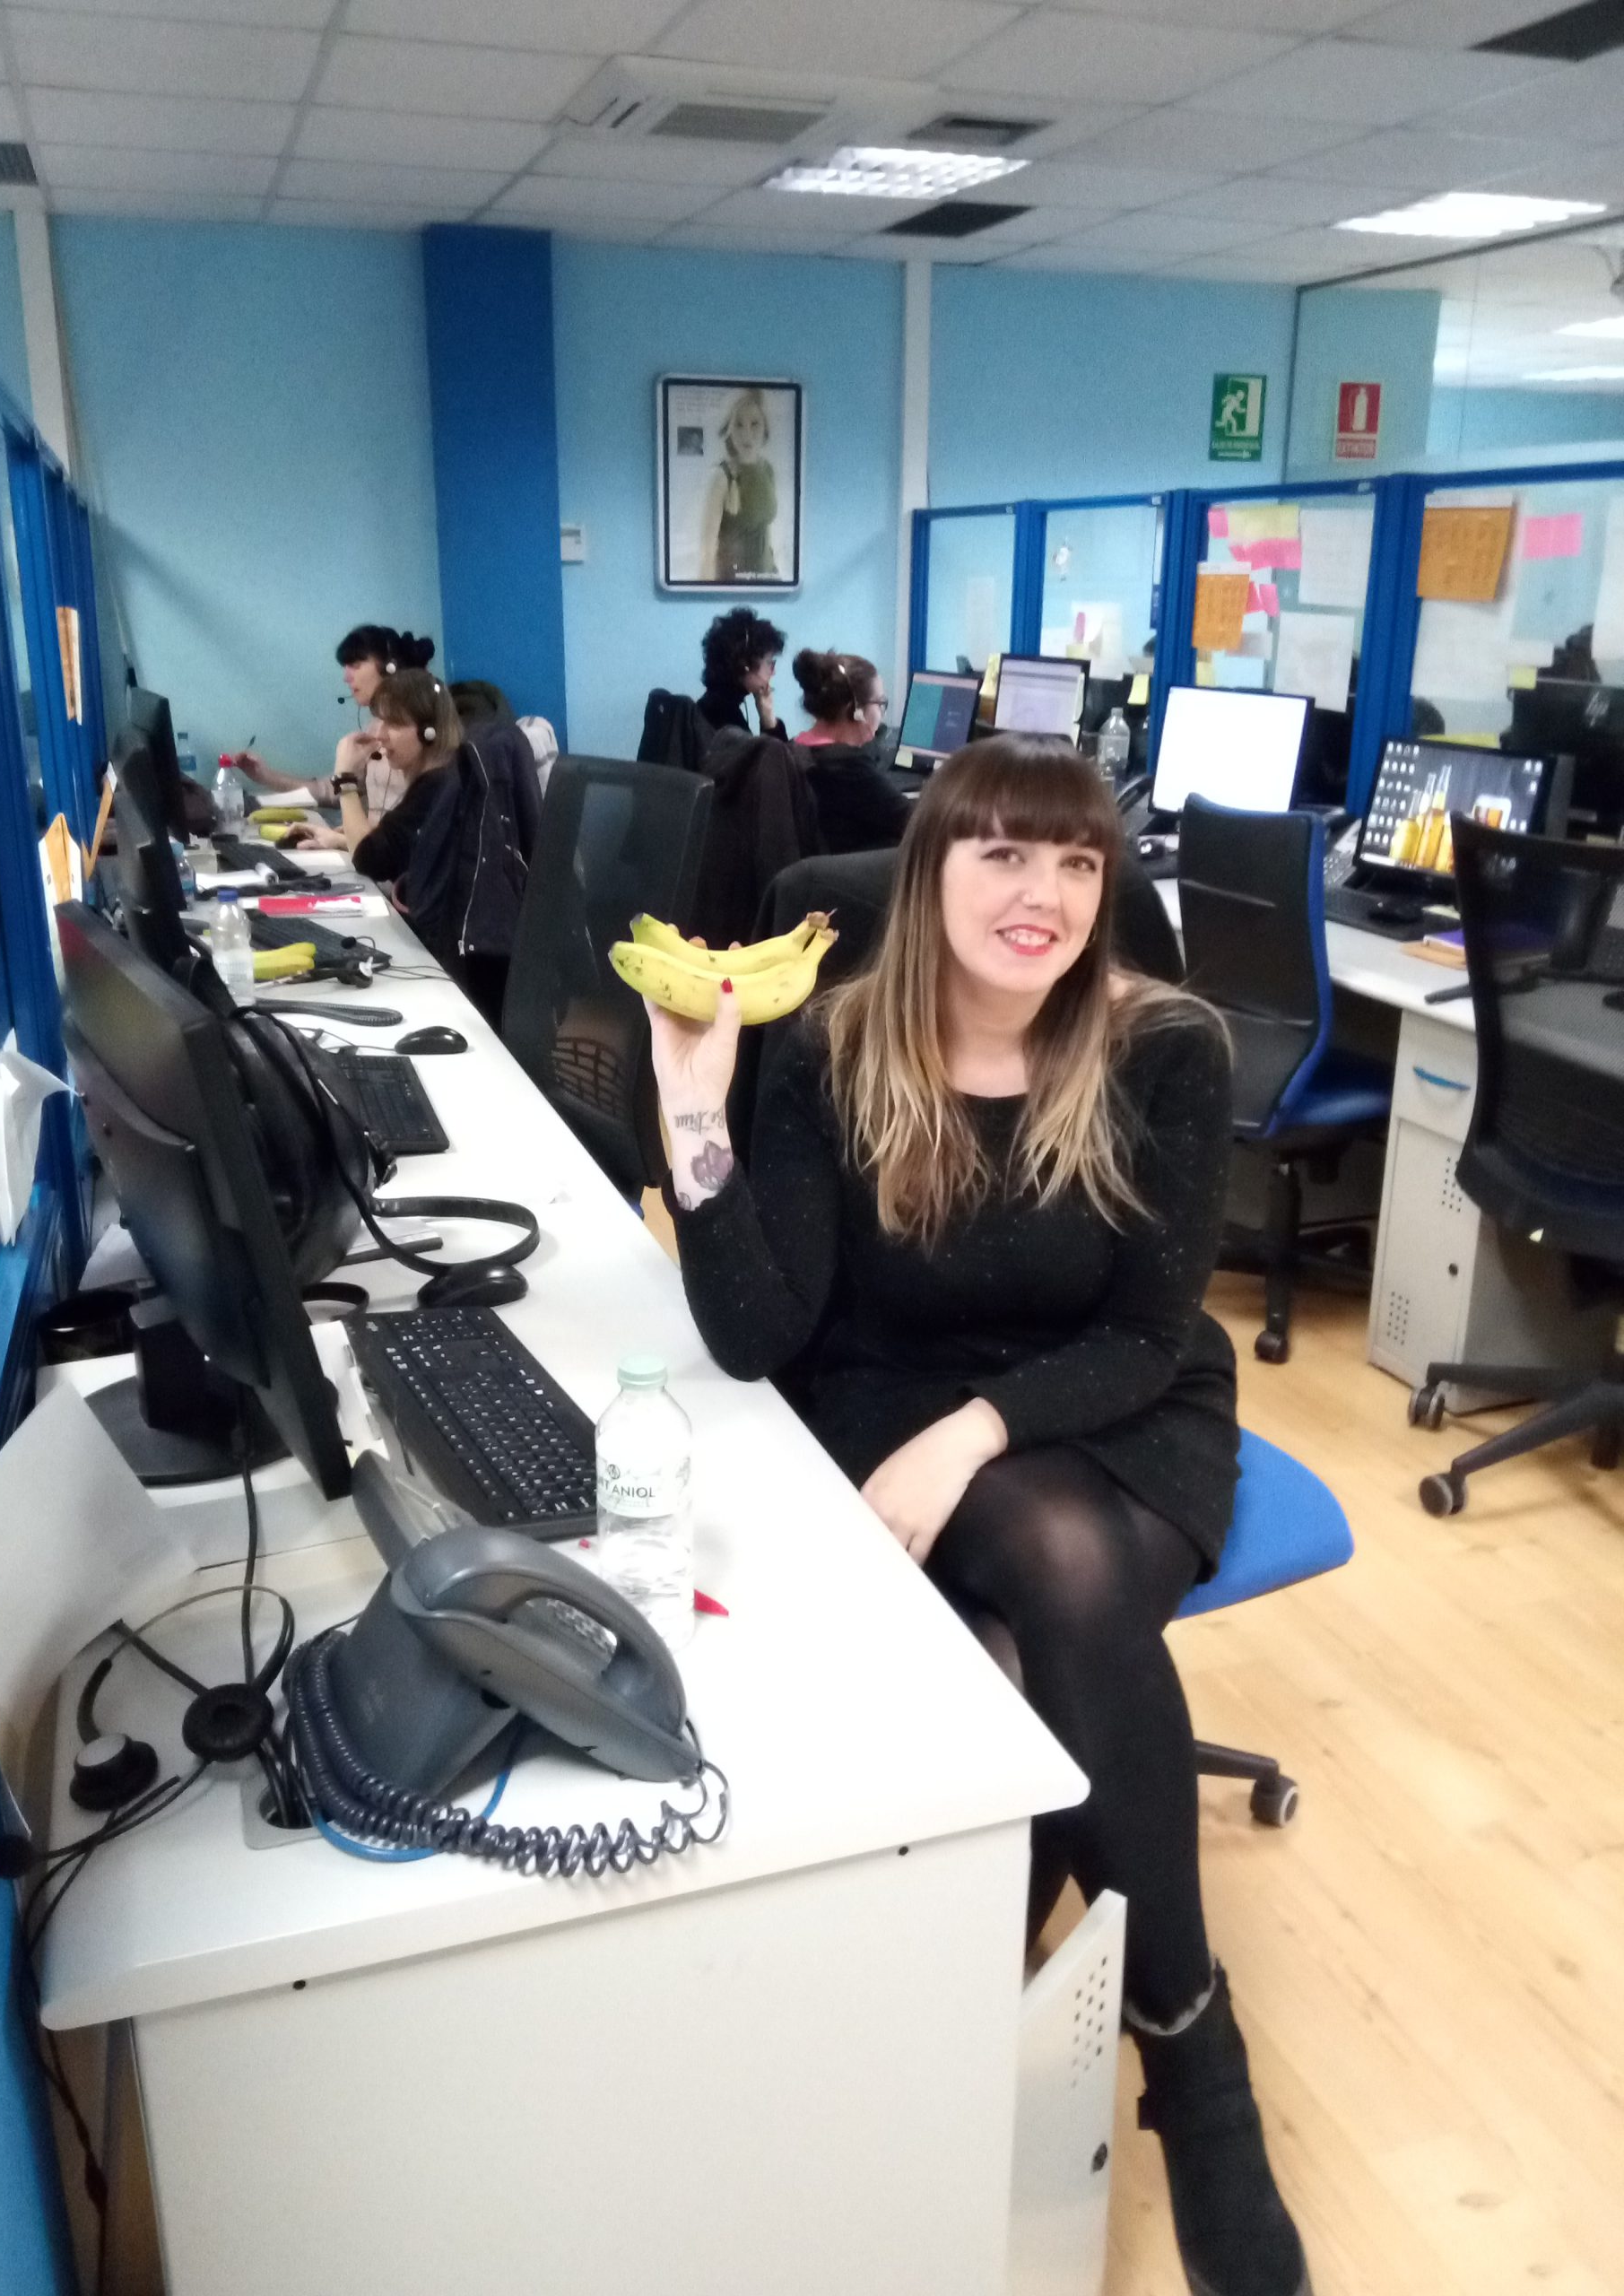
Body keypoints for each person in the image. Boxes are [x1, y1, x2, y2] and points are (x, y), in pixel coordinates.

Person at [645, 738, 1310, 2296]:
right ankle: (1125, 2043)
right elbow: (757, 1333)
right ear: (930, 867)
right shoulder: (834, 1046)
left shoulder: (1165, 1049)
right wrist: (694, 1110)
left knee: (1056, 1578)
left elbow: (1145, 1334)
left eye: (1077, 862)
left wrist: (976, 1434)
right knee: (1023, 1637)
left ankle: (1182, 2060)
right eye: (1004, 853)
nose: (1044, 895)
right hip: (888, 1391)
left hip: (1112, 1404)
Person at [229, 626, 434, 815]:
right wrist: (265, 776)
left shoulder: (419, 732)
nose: (346, 677)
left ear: (390, 667)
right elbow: (330, 790)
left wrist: (345, 836)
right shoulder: (376, 728)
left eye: (355, 664)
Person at [334, 668, 462, 895]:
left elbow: (369, 860)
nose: (380, 735)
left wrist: (345, 780)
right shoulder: (444, 780)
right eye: (380, 721)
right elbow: (395, 847)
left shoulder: (433, 791)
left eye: (393, 723)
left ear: (428, 731)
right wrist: (341, 839)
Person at [790, 647, 910, 854]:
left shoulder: (794, 747)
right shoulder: (846, 765)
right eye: (880, 703)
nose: (881, 713)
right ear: (855, 710)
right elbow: (911, 820)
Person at [700, 389, 778, 582]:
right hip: (732, 584)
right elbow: (707, 551)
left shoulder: (767, 470)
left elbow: (764, 530)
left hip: (768, 580)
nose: (747, 434)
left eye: (755, 424)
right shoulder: (721, 476)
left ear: (765, 427)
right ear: (730, 429)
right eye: (739, 424)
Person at [697, 607, 787, 742]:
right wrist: (769, 723)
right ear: (744, 664)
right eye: (769, 663)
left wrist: (766, 714)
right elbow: (775, 756)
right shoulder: (725, 722)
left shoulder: (712, 707)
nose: (773, 672)